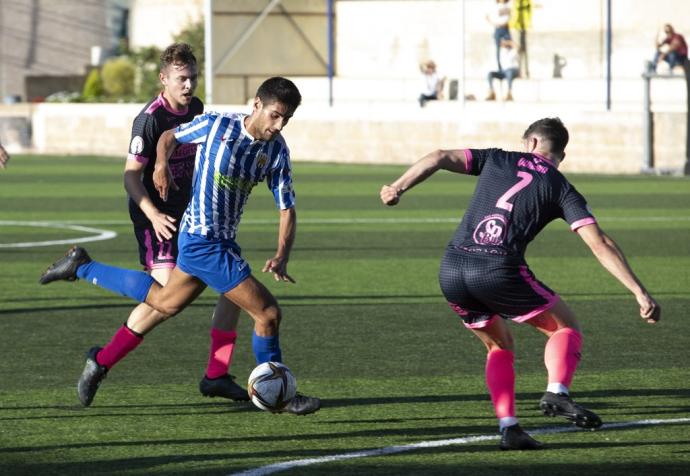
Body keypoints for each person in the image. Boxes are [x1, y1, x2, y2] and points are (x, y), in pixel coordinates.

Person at [40, 76, 321, 415]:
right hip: (202, 241)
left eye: (286, 118)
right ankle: (281, 396)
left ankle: (83, 273)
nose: (279, 125)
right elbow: (169, 136)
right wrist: (160, 166)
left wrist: (282, 255)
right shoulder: (216, 125)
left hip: (220, 242)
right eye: (275, 115)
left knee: (163, 302)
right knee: (267, 313)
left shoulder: (276, 151)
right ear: (257, 105)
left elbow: (286, 208)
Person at [380, 117, 660, 450]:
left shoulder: (497, 158)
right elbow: (598, 242)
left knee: (498, 346)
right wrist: (638, 291)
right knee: (564, 328)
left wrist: (397, 187)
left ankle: (509, 428)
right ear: (561, 155)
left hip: (453, 268)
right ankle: (557, 393)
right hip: (499, 269)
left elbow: (440, 155)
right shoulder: (561, 187)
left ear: (529, 142)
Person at [122, 42, 249, 404]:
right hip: (155, 217)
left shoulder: (196, 108)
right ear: (163, 79)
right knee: (166, 297)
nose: (188, 86)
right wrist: (153, 213)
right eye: (181, 79)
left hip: (191, 214)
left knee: (233, 286)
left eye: (192, 77)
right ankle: (87, 270)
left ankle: (217, 372)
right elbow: (131, 177)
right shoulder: (149, 120)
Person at [486, 0, 512, 71]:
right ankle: (499, 67)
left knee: (509, 47)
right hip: (498, 29)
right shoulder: (495, 6)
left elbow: (511, 16)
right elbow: (487, 16)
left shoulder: (509, 5)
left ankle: (509, 66)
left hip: (506, 28)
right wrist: (495, 24)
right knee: (498, 48)